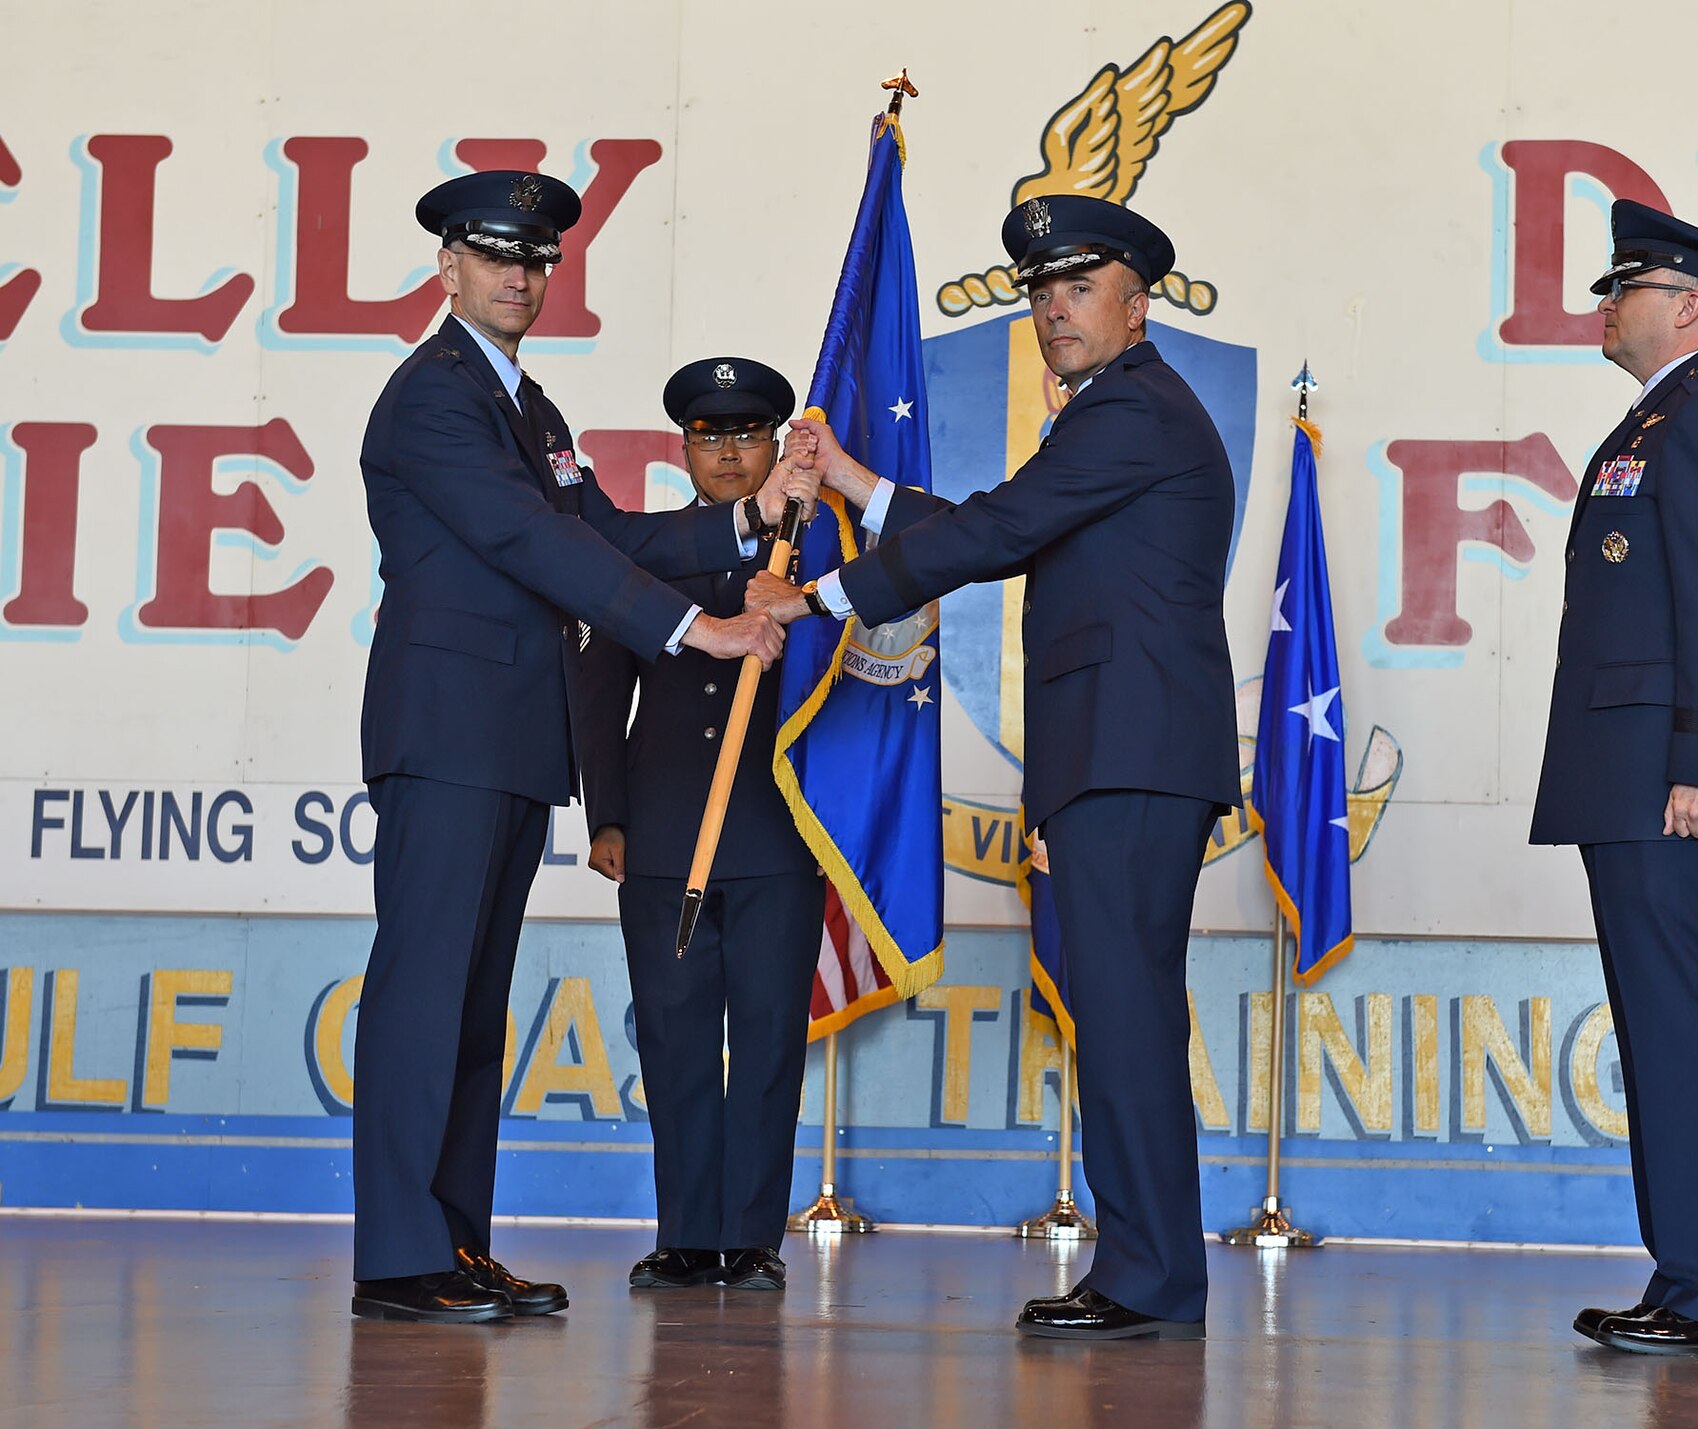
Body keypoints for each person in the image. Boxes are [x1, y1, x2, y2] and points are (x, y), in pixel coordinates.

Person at [749, 195, 1239, 1342]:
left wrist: (819, 595)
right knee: (1118, 1020)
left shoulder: (1133, 412)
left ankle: (1150, 1277)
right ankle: (1146, 1270)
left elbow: (999, 531)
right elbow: (1005, 520)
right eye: (1038, 292)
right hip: (1112, 757)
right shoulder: (1114, 416)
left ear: (1137, 301)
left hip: (1128, 759)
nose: (1051, 310)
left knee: (1124, 1019)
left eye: (1076, 288)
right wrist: (858, 482)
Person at [351, 170, 807, 1324]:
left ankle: (450, 1242)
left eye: (537, 257)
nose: (518, 273)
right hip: (445, 734)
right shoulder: (434, 397)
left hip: (509, 743)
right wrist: (694, 621)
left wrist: (747, 517)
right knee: (421, 997)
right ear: (446, 265)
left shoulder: (531, 411)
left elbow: (599, 529)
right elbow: (523, 540)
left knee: (469, 1005)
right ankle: (400, 1257)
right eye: (495, 253)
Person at [1531, 199, 1698, 1356]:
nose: (1603, 304)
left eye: (1621, 286)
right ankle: (1692, 1277)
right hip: (1632, 779)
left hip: (1676, 786)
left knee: (1684, 1031)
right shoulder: (1661, 418)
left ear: (1686, 304)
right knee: (1662, 1034)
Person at [574, 357, 821, 1295]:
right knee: (674, 1037)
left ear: (775, 444)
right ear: (684, 449)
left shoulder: (814, 549)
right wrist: (611, 813)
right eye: (711, 437)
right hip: (668, 824)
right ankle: (686, 1232)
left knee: (765, 1040)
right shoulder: (646, 545)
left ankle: (751, 1236)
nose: (729, 452)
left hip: (780, 830)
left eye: (749, 434)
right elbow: (600, 691)